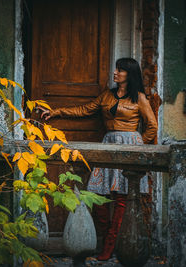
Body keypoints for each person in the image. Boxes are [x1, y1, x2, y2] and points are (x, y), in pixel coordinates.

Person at [38, 58, 158, 261]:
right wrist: (56, 111)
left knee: (122, 200)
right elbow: (84, 110)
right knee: (98, 196)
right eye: (116, 69)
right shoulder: (107, 96)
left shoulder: (139, 98)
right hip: (107, 145)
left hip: (129, 147)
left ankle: (109, 248)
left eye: (120, 70)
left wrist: (137, 145)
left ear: (130, 74)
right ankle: (105, 241)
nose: (115, 72)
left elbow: (152, 126)